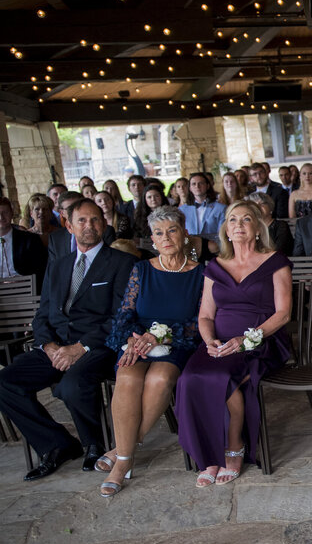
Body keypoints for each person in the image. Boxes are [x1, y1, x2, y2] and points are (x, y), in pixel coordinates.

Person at [0, 199, 136, 479]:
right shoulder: (59, 265)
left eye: (96, 219)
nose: (90, 226)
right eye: (82, 221)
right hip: (56, 346)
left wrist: (80, 347)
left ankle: (93, 444)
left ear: (105, 223)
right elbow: (43, 313)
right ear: (69, 225)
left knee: (72, 384)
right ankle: (57, 445)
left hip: (99, 345)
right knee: (5, 382)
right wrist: (48, 346)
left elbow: (122, 316)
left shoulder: (122, 263)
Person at [175, 200, 292, 486]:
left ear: (256, 228)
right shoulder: (215, 267)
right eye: (233, 220)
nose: (238, 225)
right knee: (190, 377)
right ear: (226, 230)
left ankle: (234, 447)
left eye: (246, 219)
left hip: (262, 341)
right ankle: (210, 455)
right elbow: (205, 315)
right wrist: (209, 342)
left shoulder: (275, 261)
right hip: (219, 342)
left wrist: (247, 340)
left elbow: (283, 313)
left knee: (223, 379)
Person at [96, 206, 204, 496]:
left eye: (172, 230)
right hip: (138, 341)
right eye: (158, 233)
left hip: (177, 342)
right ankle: (125, 455)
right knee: (128, 377)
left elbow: (200, 321)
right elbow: (125, 313)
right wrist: (133, 338)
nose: (165, 237)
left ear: (184, 233)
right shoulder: (141, 269)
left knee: (159, 379)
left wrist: (163, 336)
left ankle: (122, 455)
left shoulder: (201, 274)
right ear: (152, 240)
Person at [0, 196, 49, 290]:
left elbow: (42, 270)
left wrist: (23, 281)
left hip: (26, 289)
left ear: (11, 213)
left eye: (5, 212)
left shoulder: (29, 239)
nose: (1, 217)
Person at [179, 172, 227, 250]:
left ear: (207, 186)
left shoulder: (221, 208)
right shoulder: (182, 210)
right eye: (193, 184)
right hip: (190, 248)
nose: (197, 186)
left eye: (200, 183)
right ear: (190, 188)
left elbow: (222, 234)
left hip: (215, 248)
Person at [247, 192, 293, 257]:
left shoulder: (281, 226)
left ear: (270, 207)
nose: (258, 207)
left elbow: (280, 250)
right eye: (254, 204)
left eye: (262, 203)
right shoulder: (250, 227)